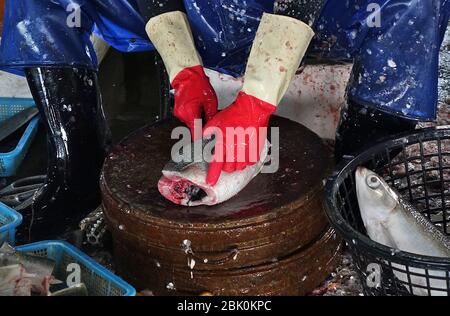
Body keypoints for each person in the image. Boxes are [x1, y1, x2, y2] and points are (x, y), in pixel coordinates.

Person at [0, 0, 448, 237]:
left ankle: (357, 177)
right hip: (198, 13)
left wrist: (255, 101)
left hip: (310, 11)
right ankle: (76, 177)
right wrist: (183, 69)